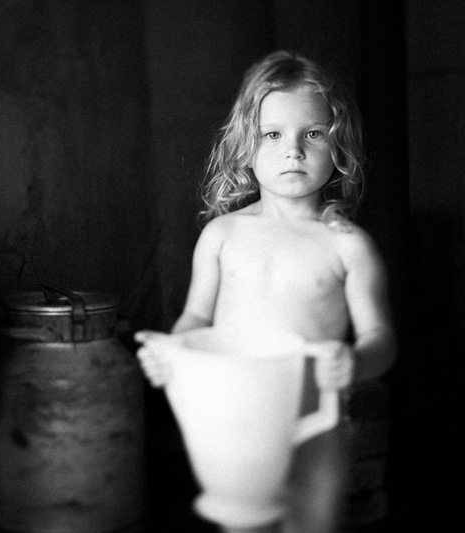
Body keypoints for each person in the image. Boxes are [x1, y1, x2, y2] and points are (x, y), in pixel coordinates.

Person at [136, 50, 396, 533]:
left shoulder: (347, 246)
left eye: (313, 134)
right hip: (237, 419)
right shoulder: (222, 235)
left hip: (315, 422)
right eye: (272, 134)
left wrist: (356, 362)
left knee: (311, 525)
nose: (293, 150)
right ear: (244, 144)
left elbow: (381, 339)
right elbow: (196, 319)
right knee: (244, 524)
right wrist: (175, 354)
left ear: (339, 146)